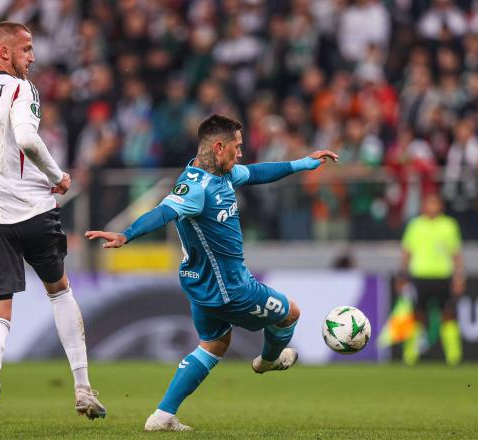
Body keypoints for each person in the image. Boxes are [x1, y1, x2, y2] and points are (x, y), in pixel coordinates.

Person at [86, 114, 338, 431]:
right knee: (290, 313)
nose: (242, 153)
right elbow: (163, 212)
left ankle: (162, 416)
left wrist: (303, 163)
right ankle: (269, 360)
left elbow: (258, 173)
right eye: (238, 146)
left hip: (201, 285)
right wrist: (126, 234)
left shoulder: (224, 173)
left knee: (215, 344)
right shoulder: (195, 186)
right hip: (230, 288)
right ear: (219, 147)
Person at [0, 21, 106, 434]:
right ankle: (83, 389)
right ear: (3, 52)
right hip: (34, 209)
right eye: (26, 49)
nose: (32, 57)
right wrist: (58, 175)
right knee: (60, 291)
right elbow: (28, 140)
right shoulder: (21, 89)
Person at [399, 192, 464, 366]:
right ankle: (410, 355)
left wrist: (459, 277)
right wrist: (403, 274)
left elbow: (456, 253)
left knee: (448, 315)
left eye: (435, 203)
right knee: (417, 315)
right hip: (420, 275)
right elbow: (407, 251)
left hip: (443, 275)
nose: (432, 207)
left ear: (441, 206)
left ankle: (454, 356)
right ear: (423, 206)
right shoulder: (415, 225)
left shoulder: (449, 225)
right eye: (429, 203)